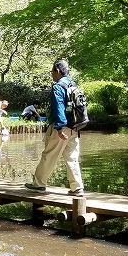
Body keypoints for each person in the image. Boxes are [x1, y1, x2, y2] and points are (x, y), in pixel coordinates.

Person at [24, 59, 85, 196]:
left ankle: (38, 184)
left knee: (49, 155)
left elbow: (59, 108)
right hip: (75, 126)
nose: (52, 74)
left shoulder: (58, 86)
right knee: (72, 157)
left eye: (52, 72)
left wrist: (59, 128)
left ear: (57, 71)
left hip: (61, 127)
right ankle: (77, 187)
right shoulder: (73, 84)